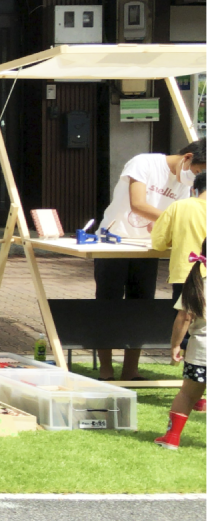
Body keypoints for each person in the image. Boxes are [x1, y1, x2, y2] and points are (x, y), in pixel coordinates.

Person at [94, 140, 205, 380]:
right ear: (187, 157)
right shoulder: (144, 162)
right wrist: (178, 217)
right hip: (113, 242)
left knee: (141, 305)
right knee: (107, 304)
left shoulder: (185, 185)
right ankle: (105, 368)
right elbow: (138, 204)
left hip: (149, 247)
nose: (195, 177)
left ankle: (130, 369)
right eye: (197, 171)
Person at [156, 245, 205, 450]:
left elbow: (184, 317)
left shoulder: (198, 286)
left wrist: (176, 344)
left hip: (201, 352)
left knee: (187, 395)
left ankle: (172, 437)